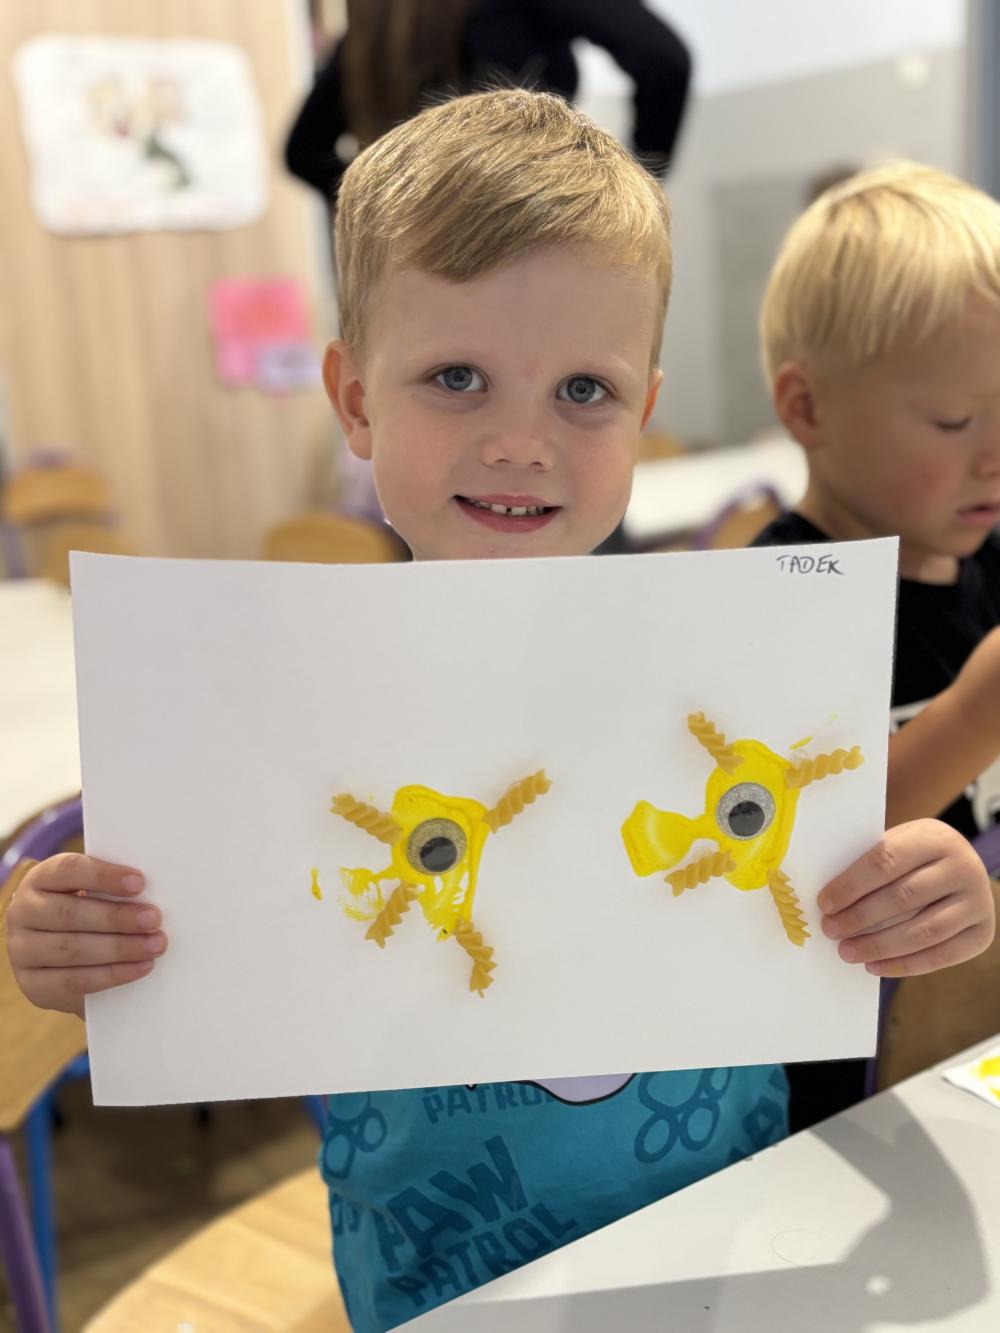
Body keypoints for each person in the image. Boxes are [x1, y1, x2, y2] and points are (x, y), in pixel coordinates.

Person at [7, 102, 994, 1333]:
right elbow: (181, 940)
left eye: (584, 389)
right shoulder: (272, 705)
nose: (522, 441)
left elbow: (847, 877)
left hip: (736, 1232)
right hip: (439, 1280)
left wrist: (930, 889)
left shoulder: (734, 673)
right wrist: (71, 942)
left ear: (642, 413)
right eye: (457, 378)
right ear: (355, 401)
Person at [753, 161, 1000, 1129]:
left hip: (966, 1062)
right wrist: (975, 714)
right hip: (837, 1113)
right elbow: (787, 859)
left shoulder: (985, 559)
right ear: (808, 408)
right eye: (955, 420)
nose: (994, 456)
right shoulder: (780, 601)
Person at [285, 0, 692, 202]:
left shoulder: (375, 21)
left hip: (410, 269)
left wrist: (388, 209)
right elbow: (665, 60)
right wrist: (632, 193)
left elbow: (303, 151)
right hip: (532, 246)